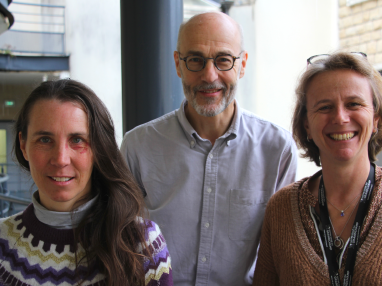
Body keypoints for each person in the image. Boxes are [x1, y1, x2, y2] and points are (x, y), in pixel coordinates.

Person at [120, 12, 297, 286]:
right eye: (195, 60)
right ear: (178, 64)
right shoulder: (137, 147)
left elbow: (282, 257)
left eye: (223, 60)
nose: (209, 75)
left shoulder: (277, 150)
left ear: (242, 64)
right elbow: (122, 247)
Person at [253, 51, 382, 285]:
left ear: (376, 118)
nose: (340, 117)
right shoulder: (280, 211)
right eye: (324, 107)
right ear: (306, 125)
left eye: (354, 104)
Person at [0, 80, 172, 286]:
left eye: (77, 140)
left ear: (98, 148)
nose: (60, 159)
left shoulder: (143, 246)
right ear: (23, 145)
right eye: (45, 140)